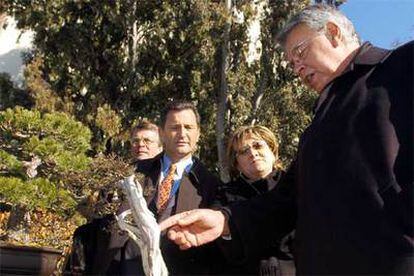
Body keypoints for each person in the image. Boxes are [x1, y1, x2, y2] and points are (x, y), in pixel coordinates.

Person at [160, 4, 413, 275]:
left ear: (333, 32)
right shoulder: (316, 128)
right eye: (291, 62)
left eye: (300, 52)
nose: (297, 67)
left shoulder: (401, 67)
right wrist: (225, 222)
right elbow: (287, 200)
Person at [105, 100, 222, 275]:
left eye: (188, 127)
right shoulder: (131, 173)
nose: (182, 134)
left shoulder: (212, 186)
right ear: (162, 133)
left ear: (198, 133)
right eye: (175, 127)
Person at [218, 125, 295, 275]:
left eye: (258, 145)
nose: (253, 153)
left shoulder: (298, 184)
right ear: (237, 164)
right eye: (243, 151)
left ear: (273, 151)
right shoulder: (224, 196)